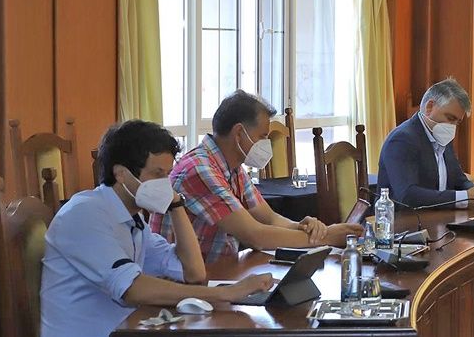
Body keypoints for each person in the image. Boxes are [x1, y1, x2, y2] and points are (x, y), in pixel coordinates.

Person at [41, 120, 273, 337]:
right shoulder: (86, 215)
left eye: (168, 174)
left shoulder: (134, 220)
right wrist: (226, 293)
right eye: (157, 175)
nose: (166, 183)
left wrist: (176, 204)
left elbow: (194, 273)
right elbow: (133, 289)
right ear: (122, 174)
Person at [152, 90, 362, 263]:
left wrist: (304, 226)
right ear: (239, 133)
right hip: (184, 284)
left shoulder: (233, 168)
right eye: (263, 136)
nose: (266, 144)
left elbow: (269, 218)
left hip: (218, 273)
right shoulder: (200, 169)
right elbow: (255, 235)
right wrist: (326, 237)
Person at [378, 78, 474, 209]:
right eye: (450, 118)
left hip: (439, 219)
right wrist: (466, 197)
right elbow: (407, 195)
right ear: (430, 107)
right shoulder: (402, 139)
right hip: (404, 223)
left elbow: (459, 181)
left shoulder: (441, 135)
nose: (453, 126)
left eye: (457, 122)